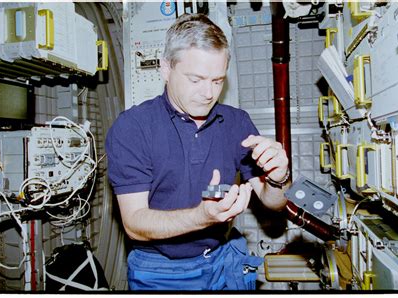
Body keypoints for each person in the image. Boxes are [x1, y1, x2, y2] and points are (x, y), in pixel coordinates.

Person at [105, 13, 290, 291]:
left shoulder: (236, 122)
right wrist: (202, 216)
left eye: (217, 81)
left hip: (224, 258)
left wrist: (278, 177)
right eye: (196, 79)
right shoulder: (133, 128)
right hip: (159, 271)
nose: (208, 93)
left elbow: (273, 202)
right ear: (166, 69)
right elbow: (134, 223)